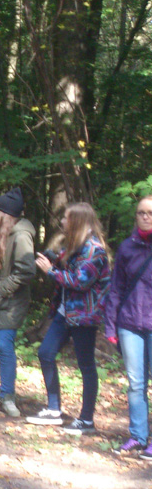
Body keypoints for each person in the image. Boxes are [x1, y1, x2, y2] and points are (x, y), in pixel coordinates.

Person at [25, 203, 110, 434]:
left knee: (86, 366)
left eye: (66, 218)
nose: (62, 221)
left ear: (78, 222)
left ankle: (86, 420)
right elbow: (68, 267)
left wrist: (50, 271)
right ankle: (54, 409)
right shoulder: (74, 245)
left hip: (84, 316)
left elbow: (80, 281)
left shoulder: (94, 250)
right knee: (45, 353)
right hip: (65, 313)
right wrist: (55, 261)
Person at [0, 187, 36, 417]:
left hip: (11, 303)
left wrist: (1, 289)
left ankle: (8, 397)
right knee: (2, 346)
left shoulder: (21, 236)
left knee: (4, 345)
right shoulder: (3, 233)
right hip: (0, 302)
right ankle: (4, 392)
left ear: (6, 215)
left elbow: (27, 271)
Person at [104, 195, 152, 459]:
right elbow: (116, 289)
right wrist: (110, 326)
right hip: (130, 324)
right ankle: (137, 437)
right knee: (135, 383)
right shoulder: (126, 248)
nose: (145, 217)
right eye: (141, 213)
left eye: (150, 213)